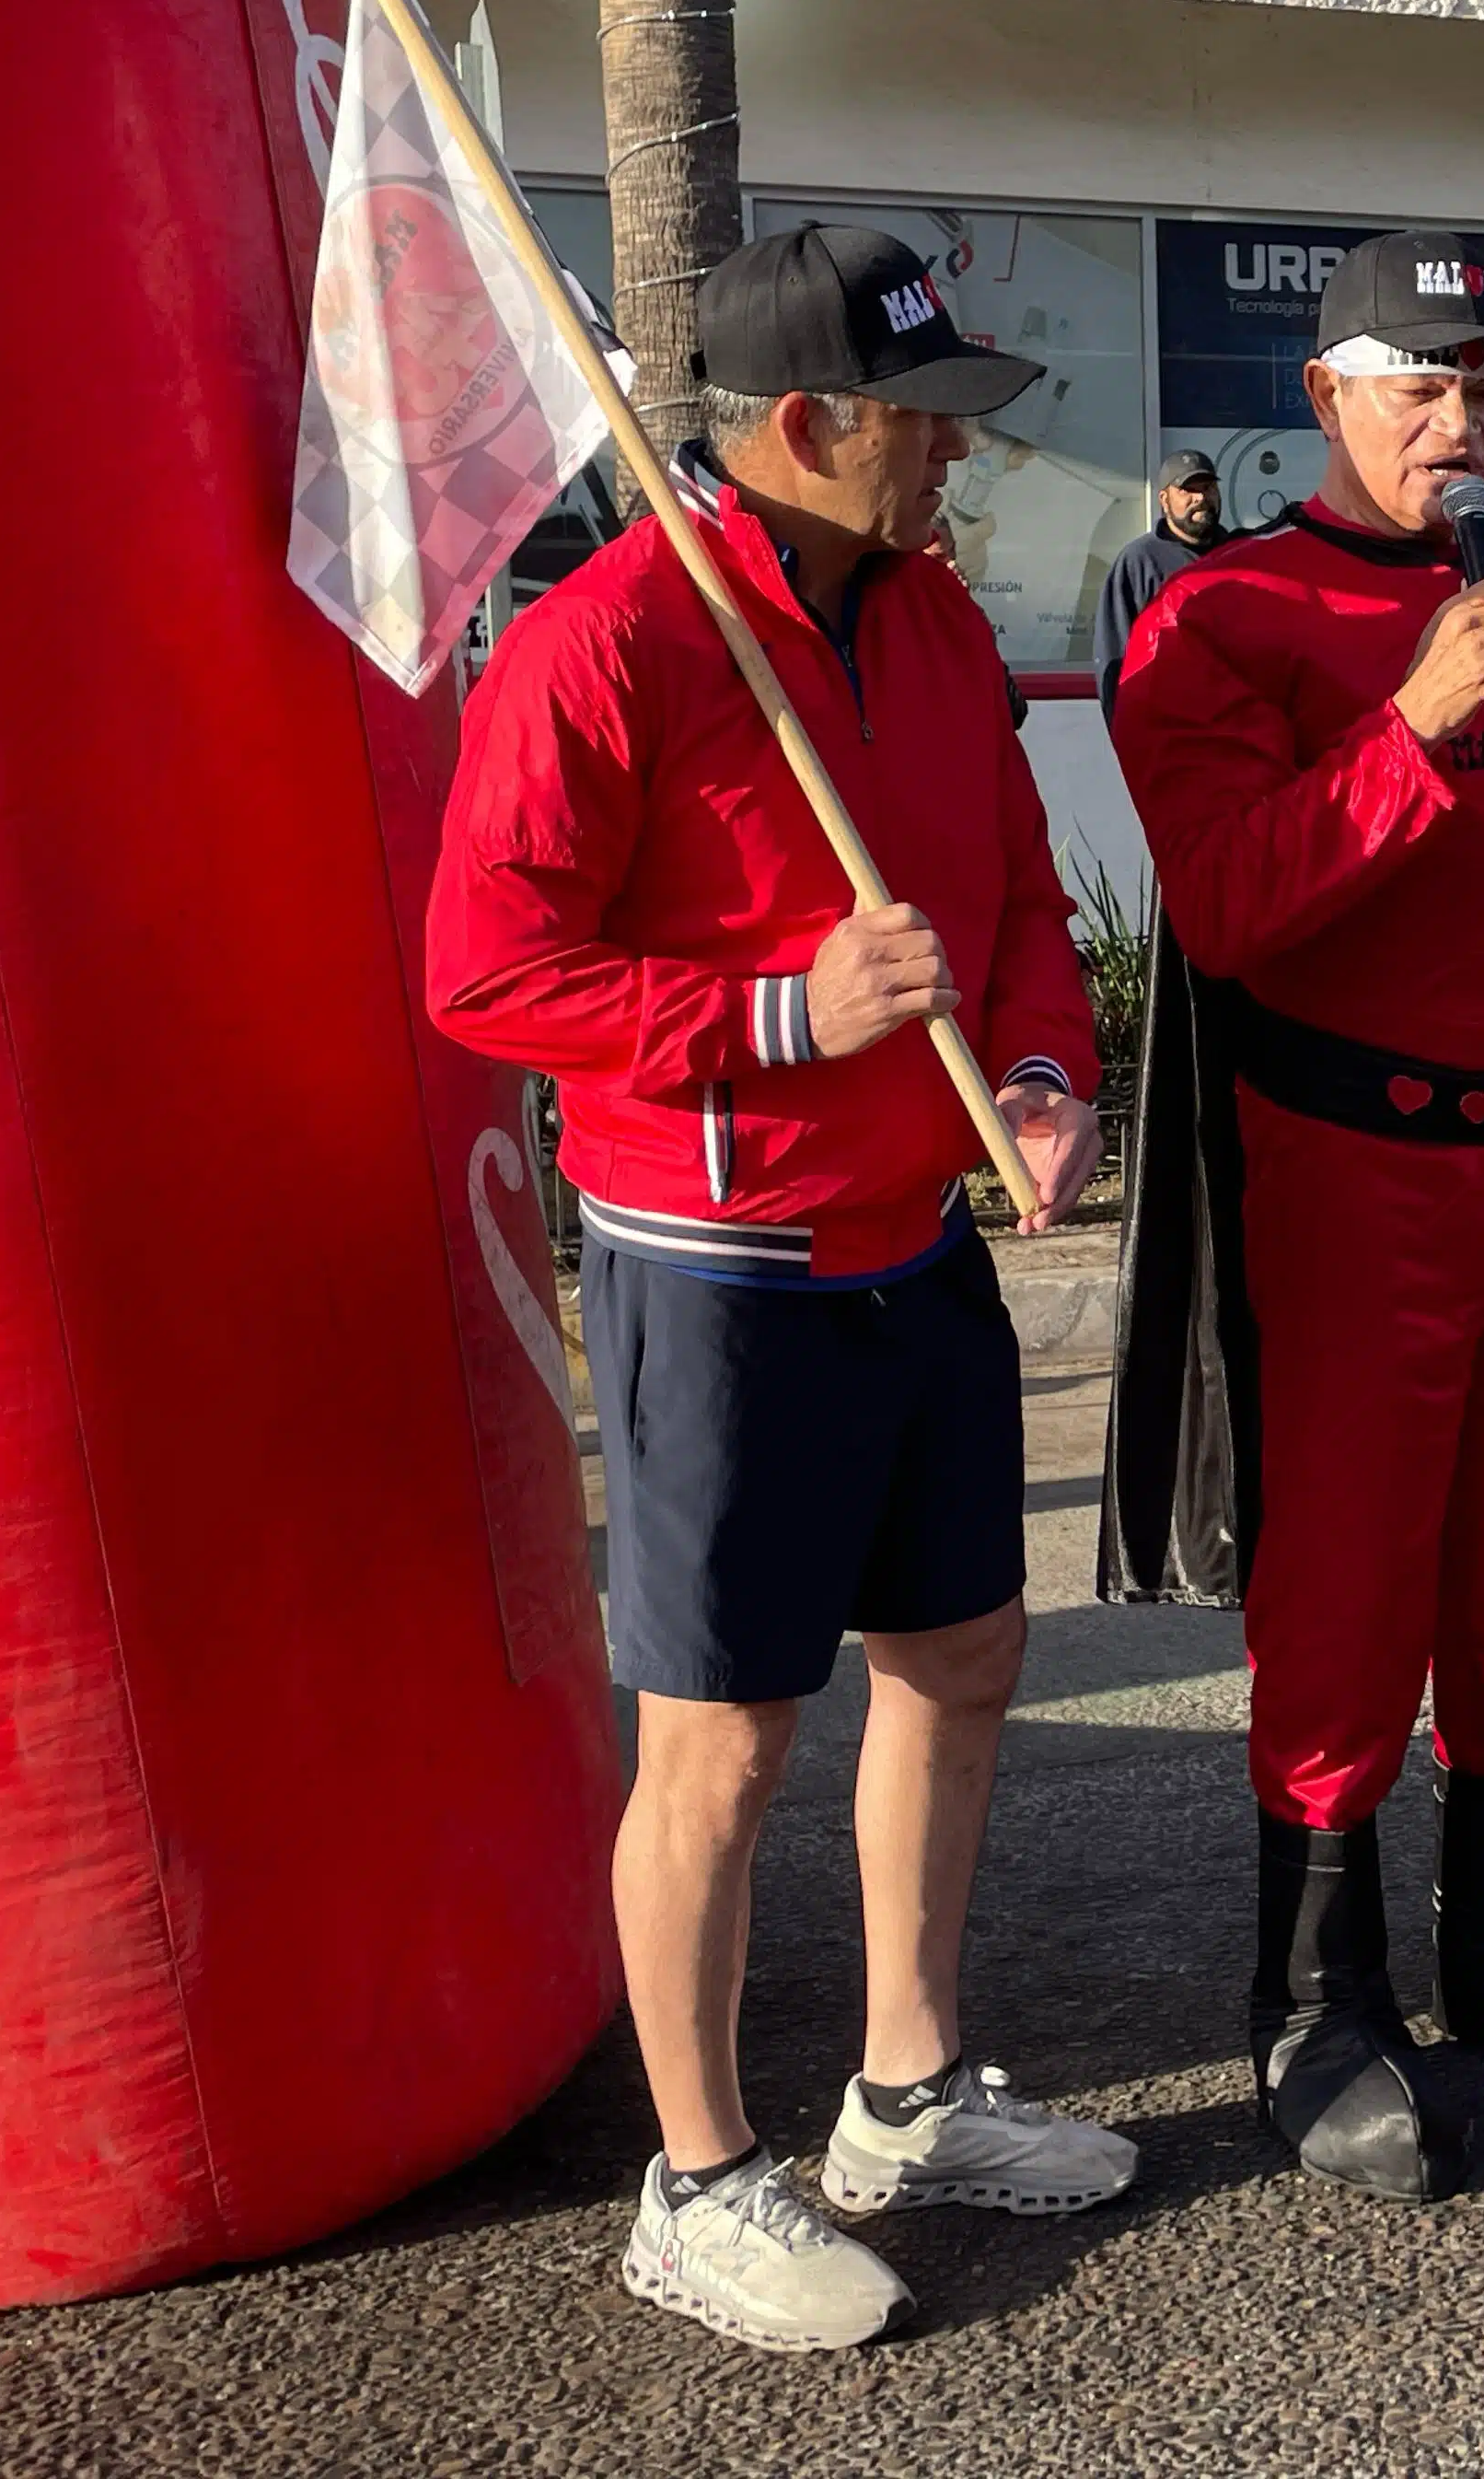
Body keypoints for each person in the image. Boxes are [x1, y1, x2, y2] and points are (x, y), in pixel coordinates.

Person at [430, 225, 1135, 2352]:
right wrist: (778, 1007)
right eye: (933, 421)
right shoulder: (609, 638)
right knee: (723, 1742)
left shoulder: (927, 621)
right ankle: (699, 2175)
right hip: (716, 1272)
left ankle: (907, 2099)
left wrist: (1033, 1071)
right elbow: (486, 967)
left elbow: (1009, 891)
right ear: (816, 425)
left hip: (918, 1249)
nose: (961, 460)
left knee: (961, 1656)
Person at [1107, 231, 1484, 2205]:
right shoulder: (1219, 618)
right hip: (1344, 1174)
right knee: (1349, 1589)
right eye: (1418, 385)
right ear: (1330, 399)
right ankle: (1314, 1994)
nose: (1460, 425)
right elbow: (1219, 909)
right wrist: (1410, 725)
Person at [1093, 448, 1223, 712]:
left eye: (1208, 487)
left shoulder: (1238, 554)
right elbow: (1114, 657)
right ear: (1164, 499)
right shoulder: (1140, 562)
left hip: (1237, 734)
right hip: (1170, 731)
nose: (1201, 497)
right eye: (1187, 490)